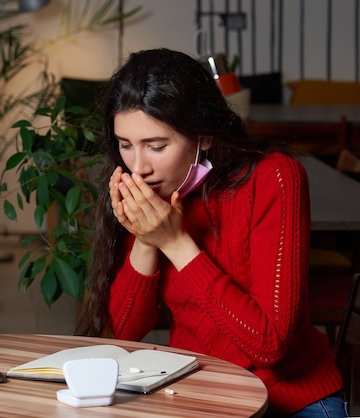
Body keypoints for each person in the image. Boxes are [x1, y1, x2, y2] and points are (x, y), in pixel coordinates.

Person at [75, 48, 347, 417]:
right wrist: (146, 237)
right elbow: (124, 333)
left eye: (156, 146)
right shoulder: (148, 190)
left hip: (292, 398)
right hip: (202, 394)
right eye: (125, 145)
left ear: (203, 137)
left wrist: (176, 242)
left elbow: (269, 346)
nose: (138, 167)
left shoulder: (275, 178)